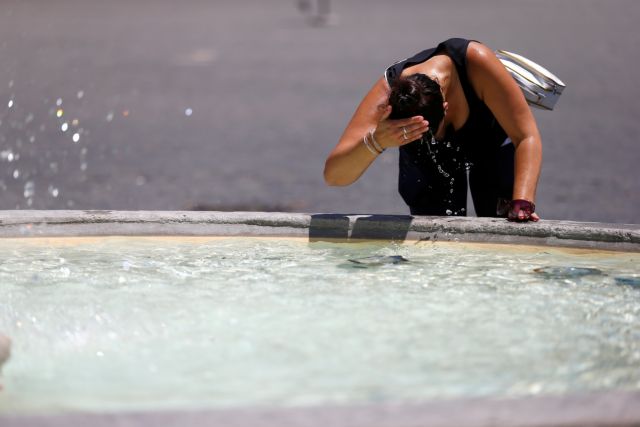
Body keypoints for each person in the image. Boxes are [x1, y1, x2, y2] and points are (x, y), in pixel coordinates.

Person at [324, 38, 541, 222]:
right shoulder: (386, 96)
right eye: (413, 135)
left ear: (446, 108)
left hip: (490, 143)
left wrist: (523, 201)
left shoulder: (477, 62)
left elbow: (526, 136)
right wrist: (375, 141)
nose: (432, 141)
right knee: (434, 242)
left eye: (431, 134)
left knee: (507, 223)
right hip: (427, 165)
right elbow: (334, 176)